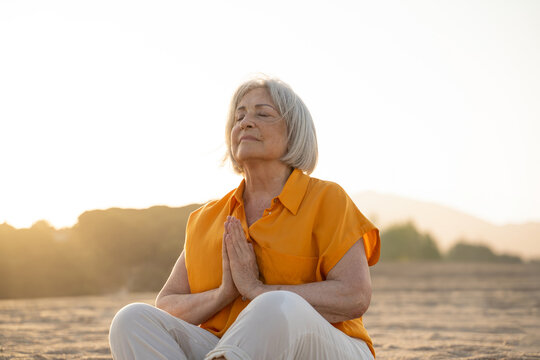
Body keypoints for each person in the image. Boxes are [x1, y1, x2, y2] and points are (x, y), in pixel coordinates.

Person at [109, 75, 381, 360]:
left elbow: (355, 296)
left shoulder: (327, 199)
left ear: (294, 133)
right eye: (239, 116)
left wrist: (257, 290)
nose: (245, 122)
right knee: (132, 319)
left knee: (275, 304)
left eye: (262, 114)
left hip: (330, 348)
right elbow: (166, 305)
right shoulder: (207, 218)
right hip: (229, 347)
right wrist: (225, 293)